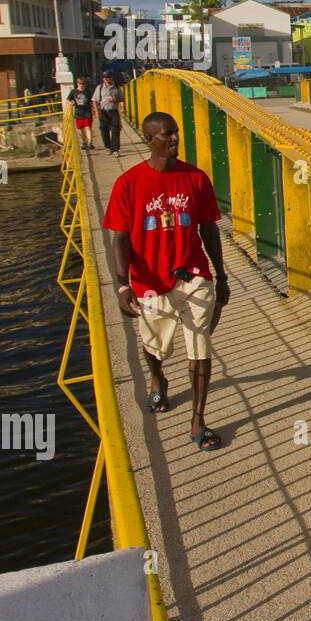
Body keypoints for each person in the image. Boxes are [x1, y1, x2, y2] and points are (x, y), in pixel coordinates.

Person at [103, 112, 231, 452]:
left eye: (175, 133)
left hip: (193, 277)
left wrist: (220, 276)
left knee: (199, 345)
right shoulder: (128, 184)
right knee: (156, 345)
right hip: (149, 283)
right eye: (166, 135)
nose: (174, 139)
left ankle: (198, 420)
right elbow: (118, 240)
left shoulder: (196, 178)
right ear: (150, 139)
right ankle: (158, 377)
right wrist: (122, 286)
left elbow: (209, 229)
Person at [95, 70, 124, 156]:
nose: (107, 80)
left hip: (113, 111)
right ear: (103, 79)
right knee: (104, 129)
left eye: (108, 78)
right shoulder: (99, 88)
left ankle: (115, 149)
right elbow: (94, 100)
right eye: (105, 78)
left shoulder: (116, 88)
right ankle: (108, 147)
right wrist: (96, 112)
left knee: (115, 129)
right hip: (103, 112)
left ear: (112, 78)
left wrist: (116, 100)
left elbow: (122, 99)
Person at [67, 77, 95, 150]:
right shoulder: (74, 92)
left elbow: (92, 101)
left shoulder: (88, 92)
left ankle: (90, 142)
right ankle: (84, 142)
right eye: (80, 84)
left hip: (87, 112)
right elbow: (68, 99)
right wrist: (71, 103)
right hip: (78, 113)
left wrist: (94, 109)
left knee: (88, 127)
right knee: (80, 129)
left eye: (83, 84)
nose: (82, 85)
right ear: (77, 84)